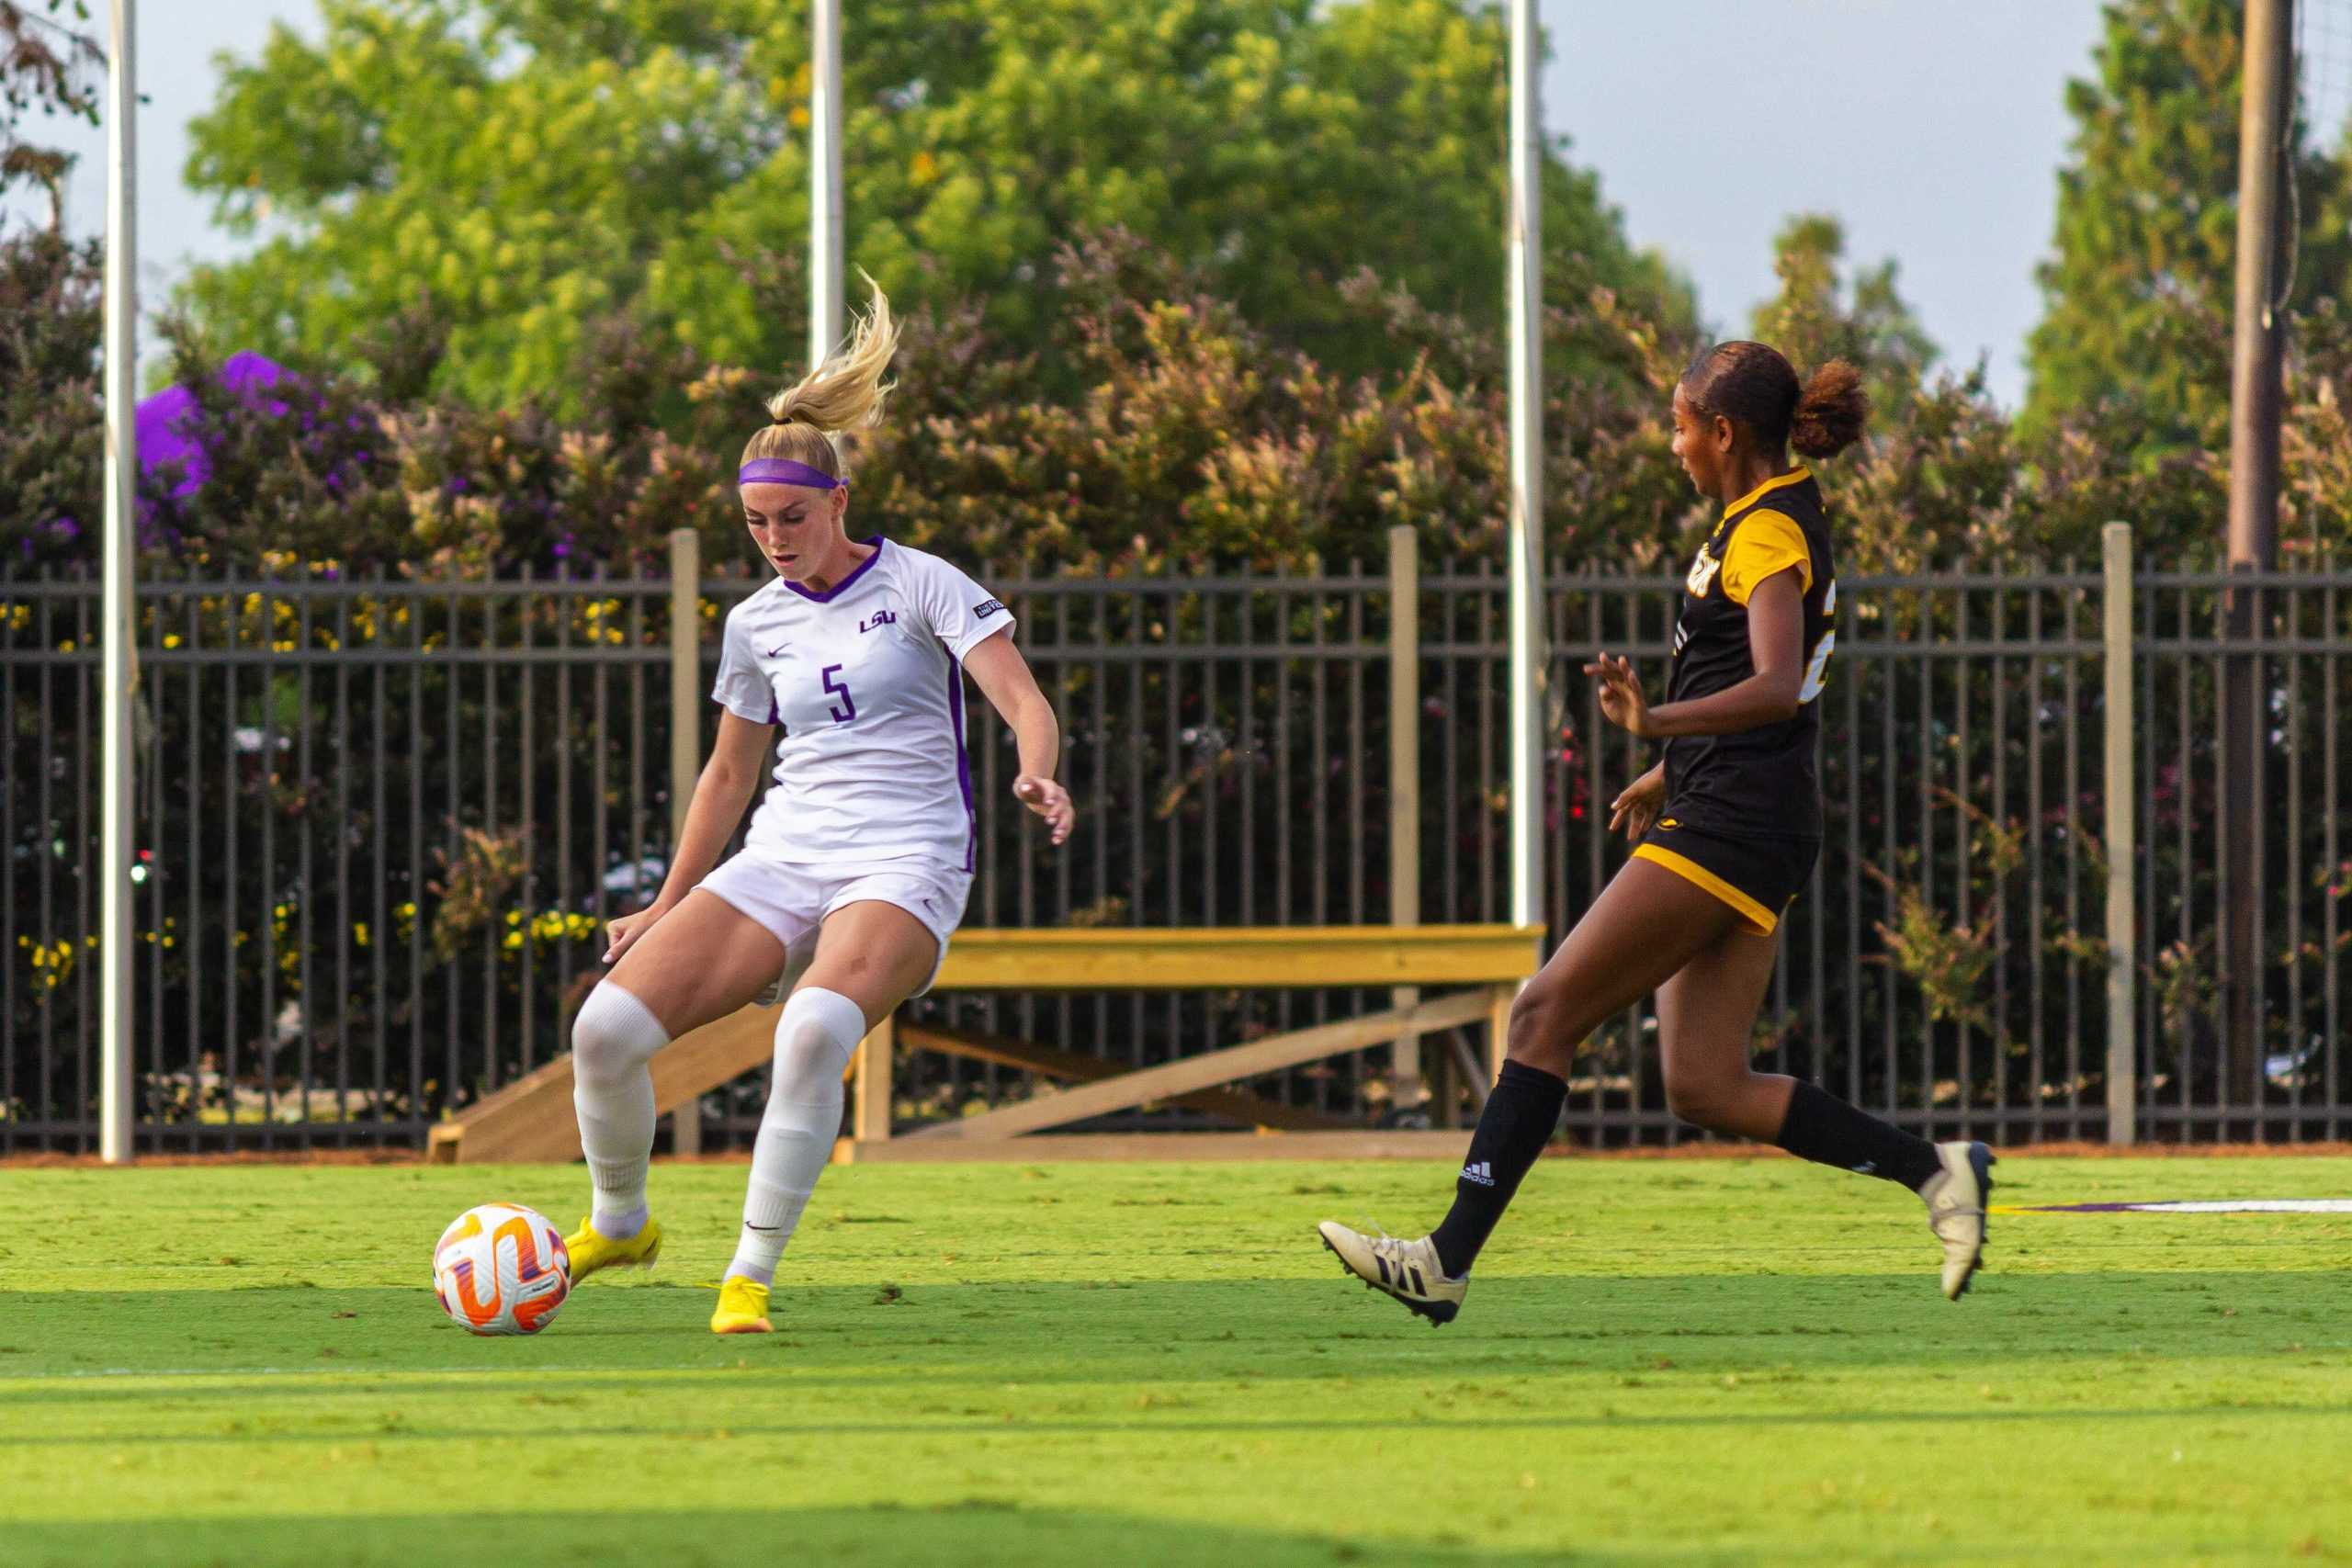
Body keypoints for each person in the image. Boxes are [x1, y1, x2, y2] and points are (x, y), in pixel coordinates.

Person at [1317, 343, 1991, 1324]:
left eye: (1679, 425)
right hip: (1741, 810)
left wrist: (1655, 728)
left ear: (1723, 433)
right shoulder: (1769, 512)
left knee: (1543, 1013)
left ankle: (1443, 1260)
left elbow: (1769, 685)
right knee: (1705, 1084)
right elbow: (1767, 691)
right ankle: (1935, 1172)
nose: (1671, 444)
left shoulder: (1766, 533)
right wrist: (1665, 766)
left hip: (1732, 822)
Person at [560, 284, 1074, 1335]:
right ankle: (620, 1222)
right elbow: (727, 777)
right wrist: (665, 904)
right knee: (603, 1031)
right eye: (754, 522)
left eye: (792, 517)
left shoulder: (922, 583)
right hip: (786, 852)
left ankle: (747, 1275)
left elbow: (1021, 698)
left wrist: (1036, 768)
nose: (774, 538)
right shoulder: (754, 623)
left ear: (838, 502)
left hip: (907, 858)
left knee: (810, 1031)